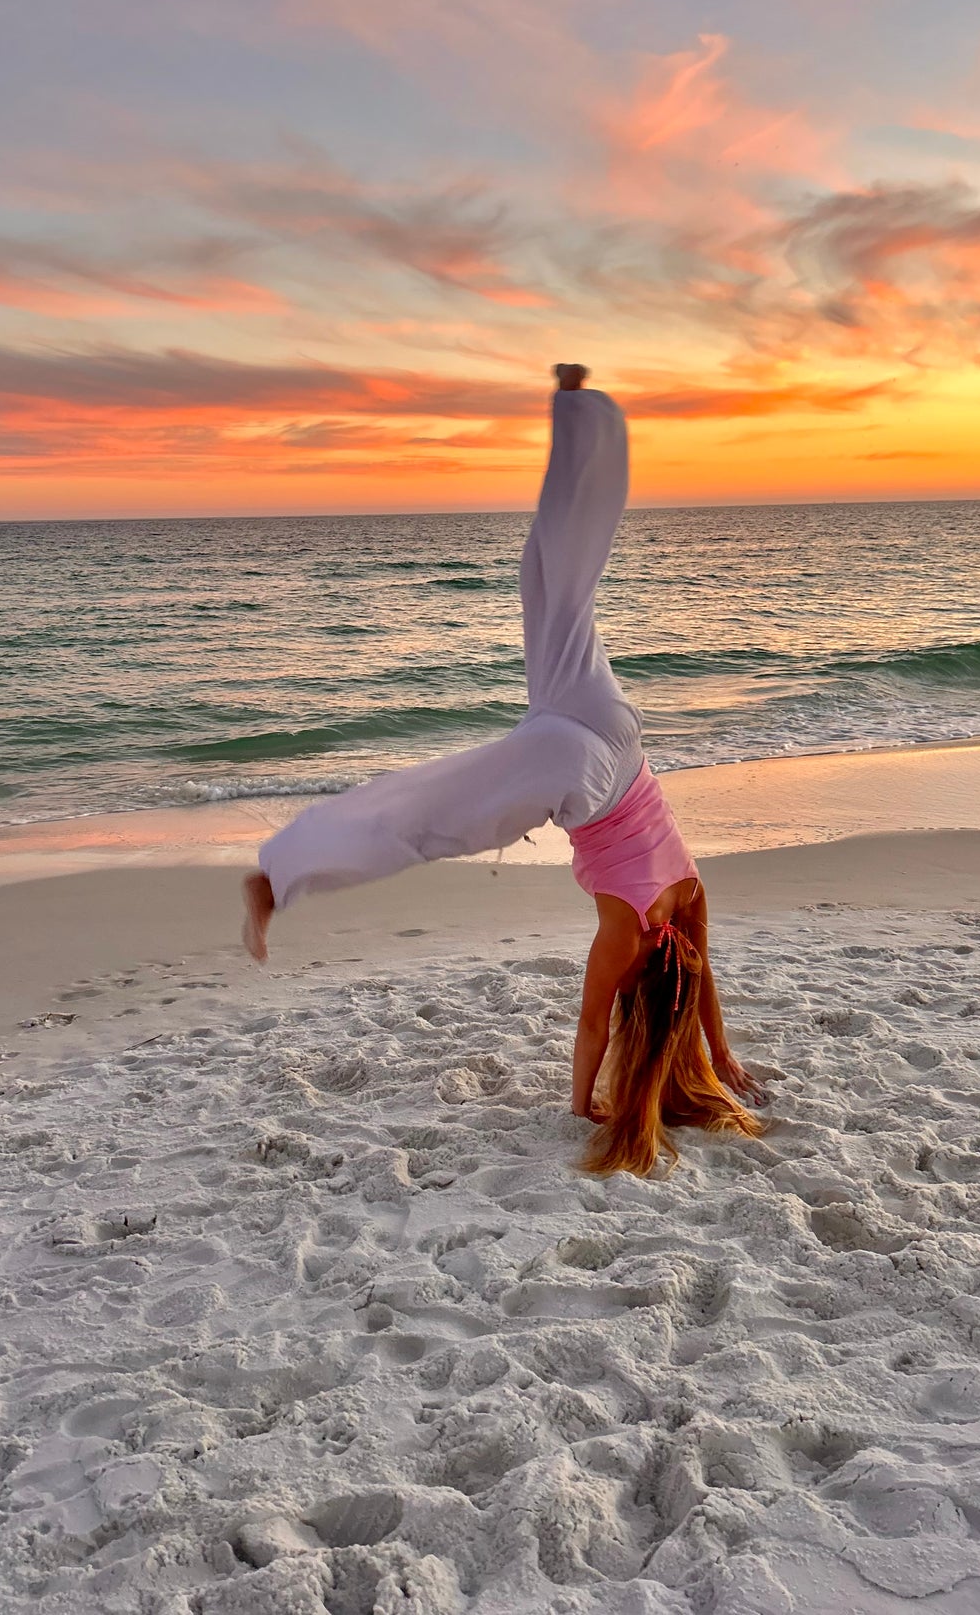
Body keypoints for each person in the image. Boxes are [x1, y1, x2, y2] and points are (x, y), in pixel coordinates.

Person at [242, 365, 766, 1176]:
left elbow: (702, 985)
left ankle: (578, 412)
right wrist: (580, 1104)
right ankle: (281, 872)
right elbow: (594, 1028)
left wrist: (723, 1056)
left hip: (618, 733)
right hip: (579, 774)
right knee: (437, 809)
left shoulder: (688, 895)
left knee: (557, 584)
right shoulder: (625, 938)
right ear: (644, 1001)